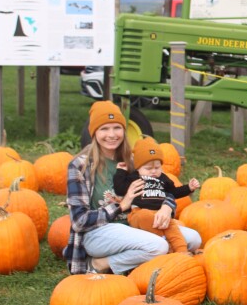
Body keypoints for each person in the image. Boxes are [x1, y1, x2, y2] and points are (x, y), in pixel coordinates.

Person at [64, 100, 202, 275]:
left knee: (193, 239)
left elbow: (161, 188)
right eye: (104, 129)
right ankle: (100, 263)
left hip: (135, 225)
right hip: (99, 232)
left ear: (124, 129)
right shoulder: (80, 166)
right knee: (158, 246)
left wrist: (168, 206)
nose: (112, 134)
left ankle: (138, 261)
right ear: (94, 133)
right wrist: (121, 206)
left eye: (117, 127)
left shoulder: (133, 162)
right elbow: (79, 221)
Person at [113, 136, 200, 253]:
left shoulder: (163, 178)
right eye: (148, 168)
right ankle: (166, 245)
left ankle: (182, 253)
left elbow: (173, 192)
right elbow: (119, 189)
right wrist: (121, 171)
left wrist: (189, 188)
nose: (153, 171)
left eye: (157, 167)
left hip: (160, 214)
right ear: (138, 168)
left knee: (173, 229)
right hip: (139, 213)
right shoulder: (134, 177)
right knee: (144, 216)